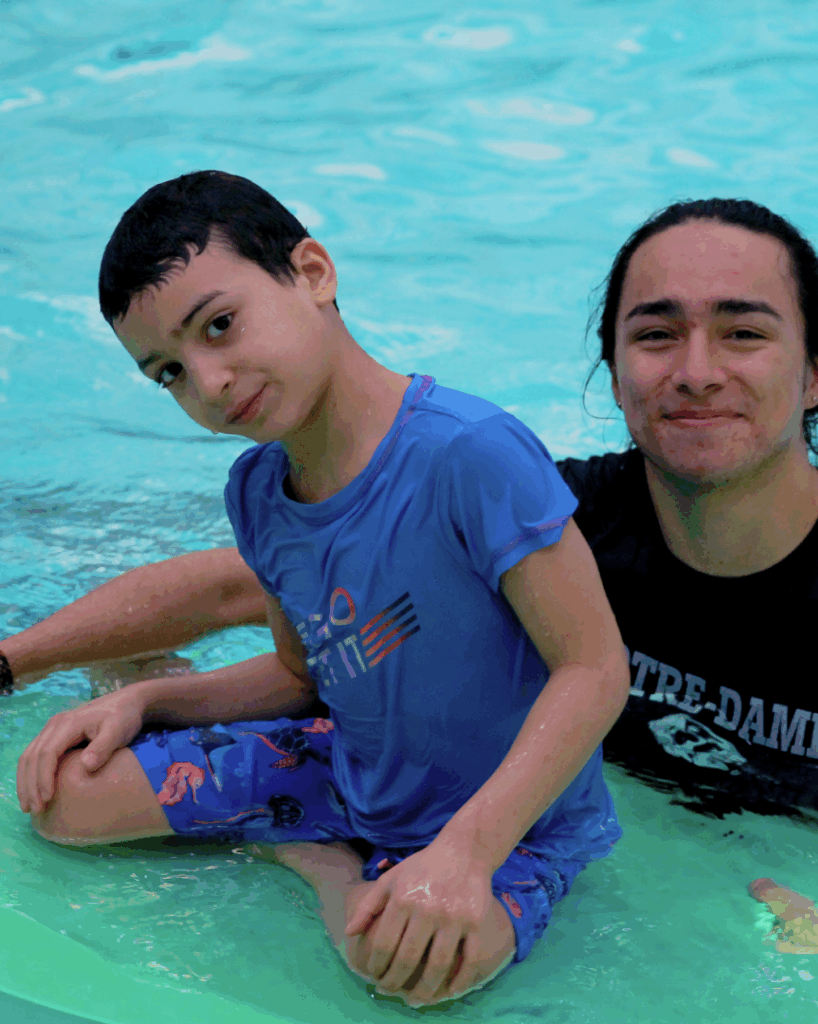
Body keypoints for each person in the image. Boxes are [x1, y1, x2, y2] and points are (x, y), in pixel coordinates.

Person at [6, 197, 818, 1000]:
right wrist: (27, 663)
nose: (696, 371)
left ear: (817, 371)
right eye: (656, 334)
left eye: (744, 333)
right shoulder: (570, 515)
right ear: (615, 373)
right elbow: (253, 586)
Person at [8, 171, 631, 1009]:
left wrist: (465, 853)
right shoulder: (258, 492)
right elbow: (300, 677)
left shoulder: (470, 453)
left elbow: (594, 669)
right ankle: (321, 837)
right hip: (348, 770)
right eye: (170, 373)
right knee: (65, 801)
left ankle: (315, 859)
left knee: (416, 969)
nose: (209, 383)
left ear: (311, 273)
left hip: (512, 825)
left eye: (219, 326)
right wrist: (148, 700)